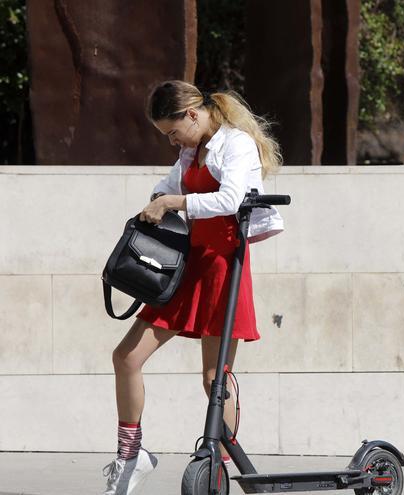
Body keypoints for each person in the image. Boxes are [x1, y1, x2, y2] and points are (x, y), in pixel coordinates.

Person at [103, 80, 284, 495]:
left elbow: (232, 199)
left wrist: (173, 203)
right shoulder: (191, 151)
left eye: (172, 131)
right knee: (126, 357)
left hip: (223, 263)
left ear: (192, 114)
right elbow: (165, 189)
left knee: (214, 377)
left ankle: (217, 464)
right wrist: (159, 199)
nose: (171, 141)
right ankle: (131, 458)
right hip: (185, 266)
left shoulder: (235, 144)